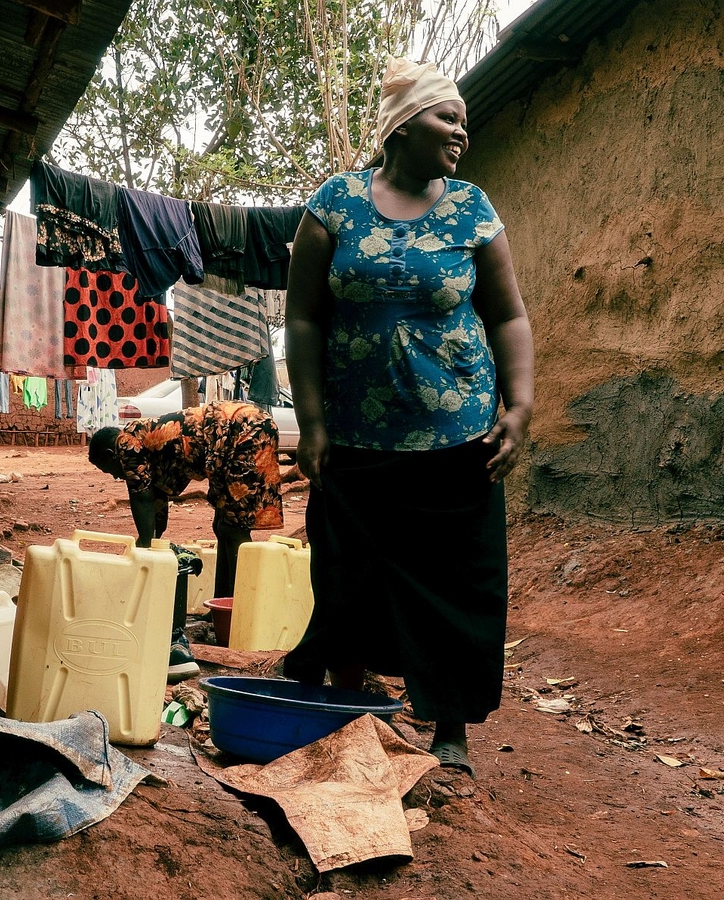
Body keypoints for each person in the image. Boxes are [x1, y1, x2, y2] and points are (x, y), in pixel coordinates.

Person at [281, 57, 535, 778]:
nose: (461, 130)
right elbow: (302, 319)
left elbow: (509, 315)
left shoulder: (472, 211)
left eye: (462, 118)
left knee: (455, 583)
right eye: (445, 117)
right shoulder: (335, 206)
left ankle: (449, 730)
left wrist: (519, 407)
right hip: (357, 439)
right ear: (401, 126)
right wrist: (313, 419)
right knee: (349, 574)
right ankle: (347, 706)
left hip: (457, 441)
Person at [88, 400, 285, 679]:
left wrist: (144, 551)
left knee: (233, 527)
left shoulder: (126, 445)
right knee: (223, 525)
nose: (116, 476)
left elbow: (142, 499)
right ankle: (224, 608)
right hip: (238, 428)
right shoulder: (141, 439)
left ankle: (242, 613)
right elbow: (157, 508)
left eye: (110, 470)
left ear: (110, 453)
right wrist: (152, 541)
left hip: (241, 430)